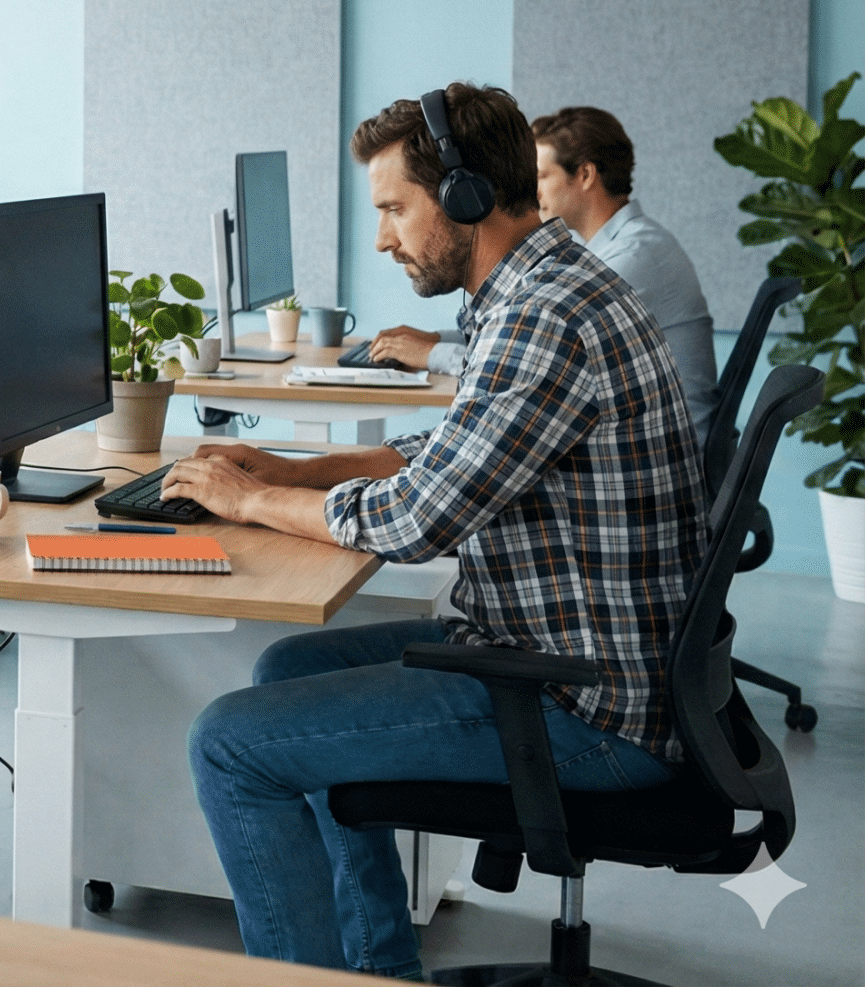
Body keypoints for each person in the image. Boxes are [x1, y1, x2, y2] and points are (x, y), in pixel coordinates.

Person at [164, 85, 705, 977]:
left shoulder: (543, 316)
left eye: (392, 209)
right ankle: (377, 965)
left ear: (465, 197)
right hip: (576, 653)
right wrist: (298, 470)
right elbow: (452, 450)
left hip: (585, 704)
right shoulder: (538, 284)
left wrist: (249, 502)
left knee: (228, 742)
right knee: (288, 665)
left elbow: (416, 521)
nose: (383, 238)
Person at [364, 105, 718, 439]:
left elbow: (530, 351)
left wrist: (431, 354)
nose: (530, 189)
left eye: (542, 176)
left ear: (584, 175)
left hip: (667, 454)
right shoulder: (599, 254)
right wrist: (436, 340)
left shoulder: (631, 259)